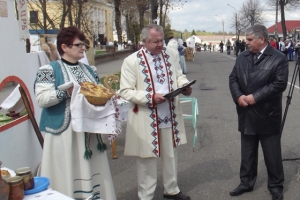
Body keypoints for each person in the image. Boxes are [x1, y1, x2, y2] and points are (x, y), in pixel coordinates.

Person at [35, 26, 118, 199]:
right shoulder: (48, 70)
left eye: (84, 45)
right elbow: (42, 99)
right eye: (78, 44)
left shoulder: (90, 70)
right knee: (67, 171)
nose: (83, 48)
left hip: (89, 131)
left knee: (92, 169)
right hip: (65, 133)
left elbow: (98, 93)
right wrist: (65, 92)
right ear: (64, 47)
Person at [119, 24, 192, 200]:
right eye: (156, 42)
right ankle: (145, 196)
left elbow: (179, 75)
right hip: (146, 115)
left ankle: (171, 190)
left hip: (169, 113)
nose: (160, 45)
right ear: (144, 42)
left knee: (170, 154)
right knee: (147, 158)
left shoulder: (171, 54)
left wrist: (184, 85)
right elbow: (125, 91)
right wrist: (150, 97)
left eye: (162, 40)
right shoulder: (131, 61)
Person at [229, 24, 288, 200]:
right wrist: (239, 96)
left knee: (272, 153)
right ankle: (246, 182)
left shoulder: (278, 58)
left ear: (261, 39)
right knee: (247, 152)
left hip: (268, 113)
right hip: (246, 111)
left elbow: (279, 84)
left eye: (249, 40)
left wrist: (255, 97)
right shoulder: (242, 57)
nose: (246, 43)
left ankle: (276, 185)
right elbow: (233, 78)